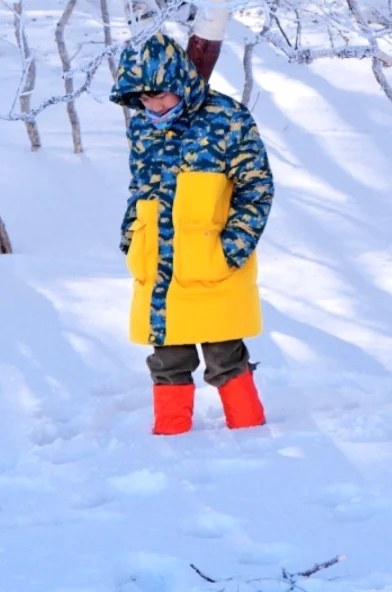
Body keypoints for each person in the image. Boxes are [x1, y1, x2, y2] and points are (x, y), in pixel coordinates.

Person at [110, 32, 274, 435]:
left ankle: (253, 437)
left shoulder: (226, 118)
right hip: (158, 266)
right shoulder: (143, 130)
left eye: (161, 96)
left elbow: (256, 187)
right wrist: (132, 237)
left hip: (212, 263)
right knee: (167, 361)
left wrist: (230, 248)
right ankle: (170, 442)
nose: (154, 106)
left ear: (181, 82)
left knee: (225, 356)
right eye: (145, 100)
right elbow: (139, 189)